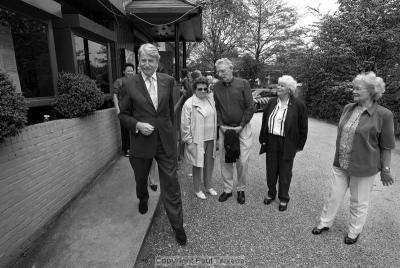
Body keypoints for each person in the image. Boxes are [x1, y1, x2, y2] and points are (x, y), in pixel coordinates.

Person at [312, 72, 395, 245]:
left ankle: (354, 231)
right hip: (340, 162)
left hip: (364, 167)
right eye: (353, 88)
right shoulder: (348, 108)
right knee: (333, 195)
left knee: (358, 201)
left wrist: (385, 170)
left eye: (358, 88)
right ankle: (325, 222)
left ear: (372, 91)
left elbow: (387, 146)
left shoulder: (384, 115)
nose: (354, 91)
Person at [118, 43, 186, 245]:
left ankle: (177, 225)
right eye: (143, 60)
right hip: (141, 142)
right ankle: (143, 197)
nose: (147, 64)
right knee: (140, 178)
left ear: (157, 62)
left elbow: (170, 113)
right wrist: (137, 124)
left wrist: (175, 137)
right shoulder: (129, 84)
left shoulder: (168, 81)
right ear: (139, 62)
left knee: (171, 184)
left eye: (151, 60)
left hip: (165, 142)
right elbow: (122, 114)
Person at [259, 75, 308, 211]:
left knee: (285, 172)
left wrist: (299, 145)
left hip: (287, 142)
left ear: (289, 90)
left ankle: (283, 198)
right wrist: (262, 139)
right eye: (278, 85)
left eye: (282, 86)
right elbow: (264, 121)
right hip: (271, 140)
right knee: (271, 170)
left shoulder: (298, 105)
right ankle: (271, 193)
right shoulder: (271, 102)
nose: (278, 87)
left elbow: (303, 127)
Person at [213, 58, 254, 204]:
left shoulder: (243, 84)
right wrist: (220, 125)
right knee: (225, 160)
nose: (220, 74)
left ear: (231, 68)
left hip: (242, 128)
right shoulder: (216, 87)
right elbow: (216, 108)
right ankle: (227, 190)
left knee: (242, 160)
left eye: (223, 71)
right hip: (225, 129)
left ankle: (241, 189)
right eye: (218, 72)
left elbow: (251, 107)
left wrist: (241, 126)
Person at [181, 77, 218, 200]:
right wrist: (189, 141)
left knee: (209, 163)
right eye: (199, 89)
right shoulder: (189, 103)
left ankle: (208, 186)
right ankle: (197, 189)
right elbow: (185, 125)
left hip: (210, 138)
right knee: (197, 165)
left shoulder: (210, 100)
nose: (203, 91)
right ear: (194, 89)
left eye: (205, 88)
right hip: (197, 140)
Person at [113, 63, 135, 157]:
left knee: (135, 127)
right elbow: (114, 95)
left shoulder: (135, 81)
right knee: (125, 129)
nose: (130, 72)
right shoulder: (119, 81)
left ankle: (135, 148)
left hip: (134, 108)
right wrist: (118, 109)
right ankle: (127, 149)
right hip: (123, 109)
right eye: (128, 70)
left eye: (131, 70)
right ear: (124, 71)